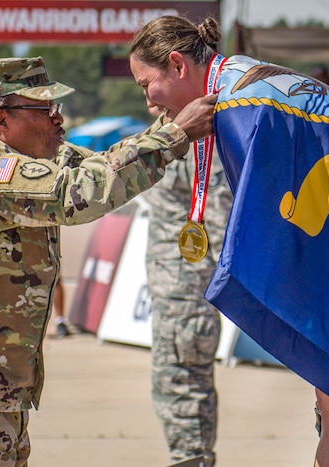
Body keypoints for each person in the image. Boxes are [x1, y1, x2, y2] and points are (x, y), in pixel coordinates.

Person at [129, 15, 329, 467]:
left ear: (178, 65)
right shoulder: (253, 78)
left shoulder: (239, 106)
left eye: (147, 84)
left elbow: (268, 220)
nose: (147, 101)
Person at [0, 55, 217, 466]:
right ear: (0, 120)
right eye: (44, 108)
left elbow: (107, 164)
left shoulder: (37, 161)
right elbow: (77, 194)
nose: (57, 118)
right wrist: (174, 134)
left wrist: (171, 120)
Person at [142, 98, 233, 466]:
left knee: (184, 384)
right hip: (173, 293)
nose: (148, 97)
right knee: (172, 382)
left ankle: (193, 459)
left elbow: (219, 216)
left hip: (188, 296)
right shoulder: (171, 132)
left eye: (151, 83)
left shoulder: (202, 139)